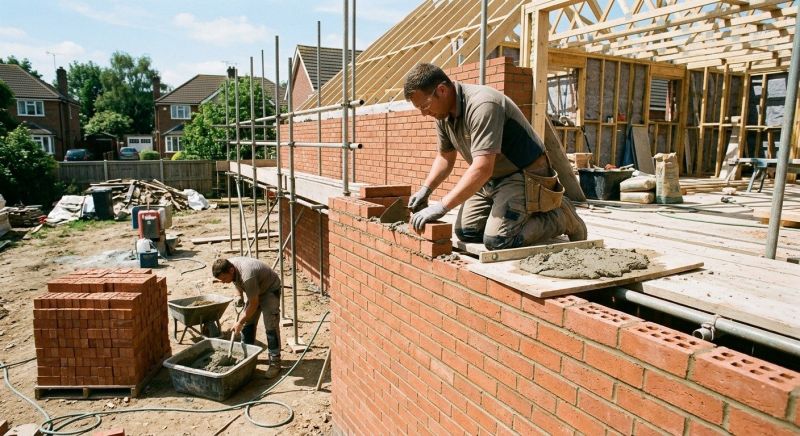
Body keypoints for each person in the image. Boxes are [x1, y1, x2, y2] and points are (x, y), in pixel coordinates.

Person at [403, 63, 587, 250]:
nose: (424, 113)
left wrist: (441, 206)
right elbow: (445, 158)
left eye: (424, 106)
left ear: (441, 90)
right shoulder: (442, 115)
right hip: (492, 178)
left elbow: (482, 167)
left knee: (499, 241)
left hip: (524, 175)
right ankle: (512, 214)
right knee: (467, 232)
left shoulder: (482, 104)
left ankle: (563, 217)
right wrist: (426, 190)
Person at [212, 257, 282, 378]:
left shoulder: (247, 274)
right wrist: (239, 295)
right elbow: (236, 281)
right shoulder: (230, 266)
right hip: (255, 289)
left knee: (270, 326)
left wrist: (239, 322)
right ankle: (248, 357)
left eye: (223, 279)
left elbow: (254, 304)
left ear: (231, 270)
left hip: (269, 289)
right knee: (248, 324)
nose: (223, 282)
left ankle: (275, 363)